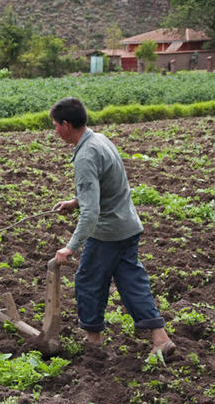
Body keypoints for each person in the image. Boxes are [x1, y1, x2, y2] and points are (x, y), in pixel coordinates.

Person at [49, 97, 175, 359]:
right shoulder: (100, 139)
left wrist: (70, 247)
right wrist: (75, 201)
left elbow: (92, 212)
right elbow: (107, 184)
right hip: (127, 225)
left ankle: (93, 339)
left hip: (107, 233)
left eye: (55, 126)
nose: (55, 132)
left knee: (88, 281)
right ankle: (160, 338)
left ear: (66, 124)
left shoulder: (85, 156)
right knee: (132, 283)